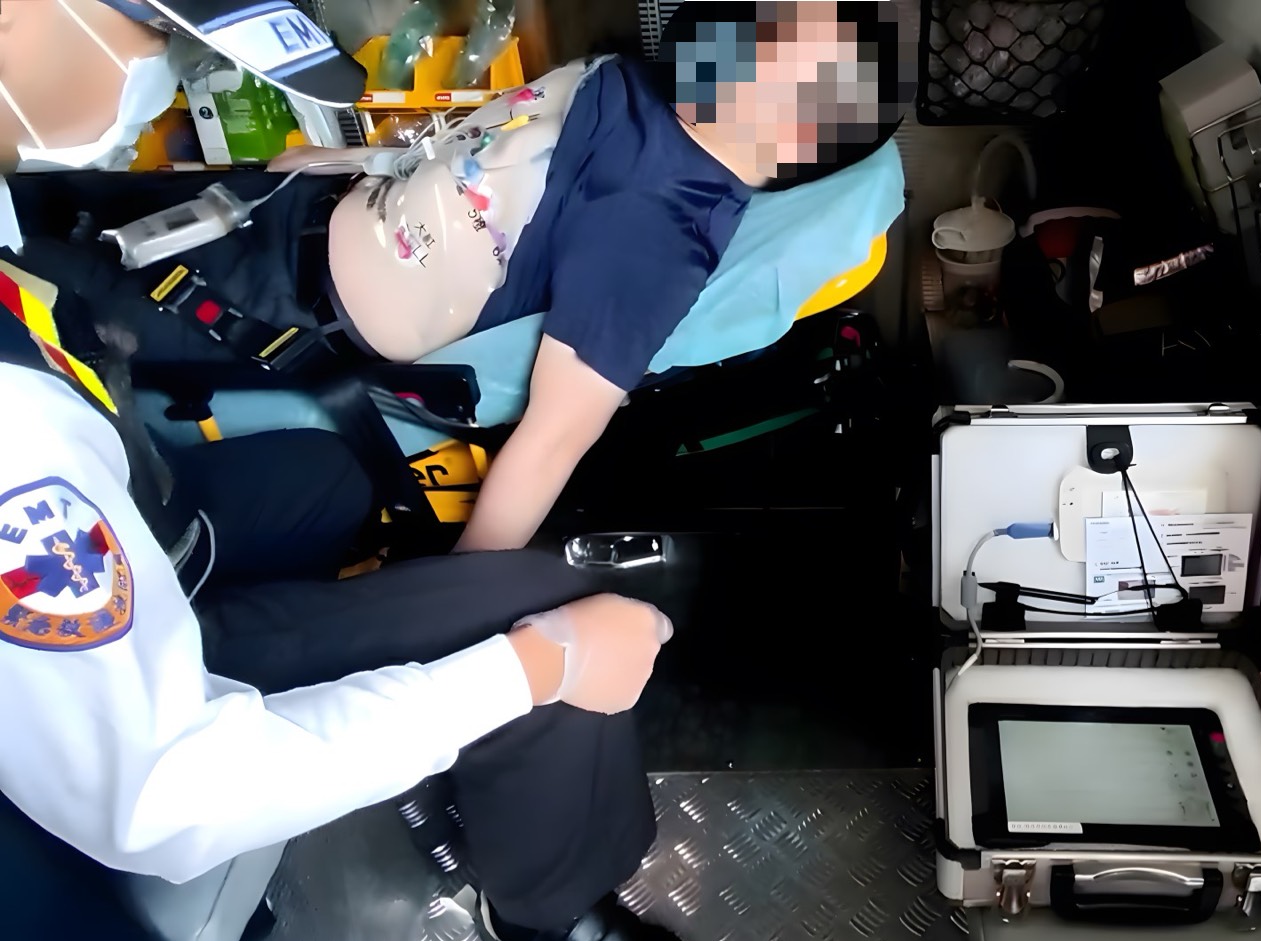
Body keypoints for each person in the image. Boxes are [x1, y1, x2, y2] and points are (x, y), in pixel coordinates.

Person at [0, 3, 694, 941]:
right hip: (137, 723)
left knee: (327, 480)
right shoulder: (20, 447)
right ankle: (546, 908)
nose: (165, 77)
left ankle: (353, 660)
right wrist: (533, 666)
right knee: (537, 604)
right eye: (159, 39)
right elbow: (165, 798)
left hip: (140, 521)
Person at [9, 0, 912, 557]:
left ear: (805, 129)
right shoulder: (633, 81)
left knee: (27, 314)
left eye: (778, 45)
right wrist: (341, 162)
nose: (747, 29)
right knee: (27, 203)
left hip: (267, 313)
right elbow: (481, 149)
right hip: (276, 208)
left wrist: (456, 614)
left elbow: (555, 439)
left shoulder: (660, 232)